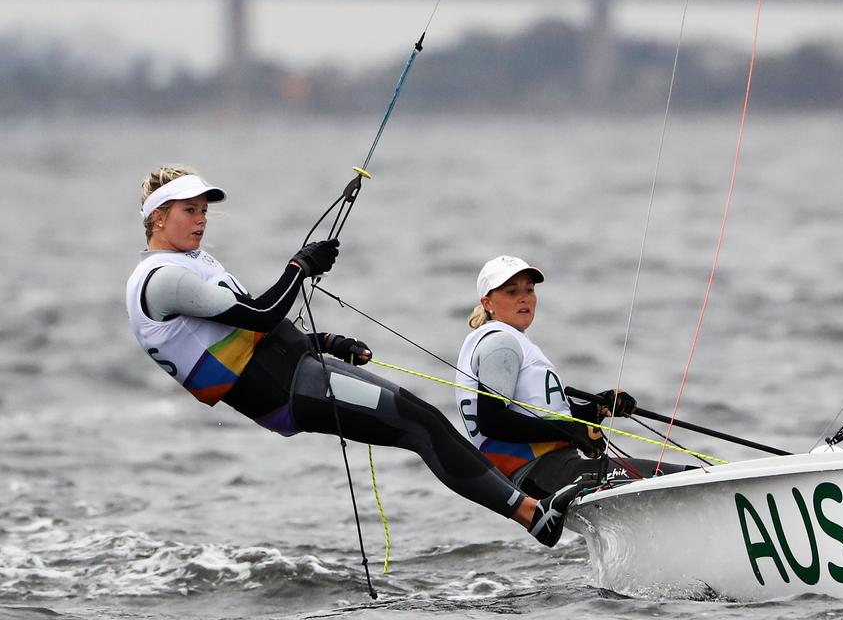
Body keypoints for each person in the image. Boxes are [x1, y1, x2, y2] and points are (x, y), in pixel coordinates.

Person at [125, 165, 578, 547]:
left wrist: (325, 342)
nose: (202, 220)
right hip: (287, 390)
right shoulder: (162, 278)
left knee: (426, 420)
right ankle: (533, 516)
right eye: (190, 210)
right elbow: (262, 315)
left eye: (205, 210)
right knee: (419, 426)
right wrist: (299, 267)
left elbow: (247, 333)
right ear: (159, 217)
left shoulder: (191, 264)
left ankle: (531, 505)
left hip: (300, 369)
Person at [455, 255, 686, 499]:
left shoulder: (505, 341)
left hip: (550, 472)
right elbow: (493, 421)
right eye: (512, 291)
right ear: (487, 302)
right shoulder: (501, 343)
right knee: (683, 477)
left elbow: (539, 414)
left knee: (674, 475)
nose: (524, 298)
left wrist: (596, 408)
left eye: (529, 290)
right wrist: (571, 431)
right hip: (542, 472)